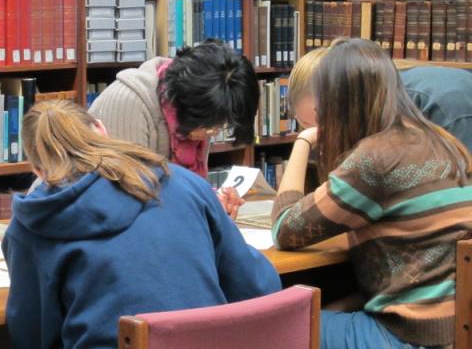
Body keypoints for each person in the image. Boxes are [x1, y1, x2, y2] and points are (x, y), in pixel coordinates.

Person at [4, 100, 281, 349]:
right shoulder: (183, 183)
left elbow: (31, 336)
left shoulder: (33, 225)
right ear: (101, 129)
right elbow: (259, 286)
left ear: (38, 170)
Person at [272, 38, 472, 349]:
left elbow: (285, 229)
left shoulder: (374, 159)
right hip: (456, 331)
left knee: (275, 326)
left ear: (339, 103)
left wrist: (303, 141)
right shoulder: (445, 141)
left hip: (410, 338)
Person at [89, 39, 260, 217]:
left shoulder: (194, 111)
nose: (213, 132)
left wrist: (213, 205)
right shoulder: (129, 104)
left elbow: (180, 193)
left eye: (221, 124)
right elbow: (128, 205)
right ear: (186, 102)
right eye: (210, 124)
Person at [290, 44, 472, 153]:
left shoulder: (443, 103)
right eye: (307, 125)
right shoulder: (374, 109)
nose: (321, 136)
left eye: (325, 122)